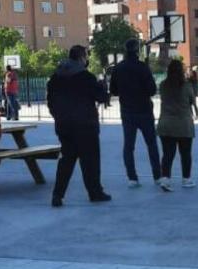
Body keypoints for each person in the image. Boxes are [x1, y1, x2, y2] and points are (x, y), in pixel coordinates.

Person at [47, 45, 111, 206]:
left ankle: (58, 195)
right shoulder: (86, 77)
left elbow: (50, 103)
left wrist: (59, 117)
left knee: (66, 160)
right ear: (82, 58)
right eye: (86, 56)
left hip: (64, 126)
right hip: (86, 126)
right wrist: (103, 88)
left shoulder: (55, 77)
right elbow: (101, 97)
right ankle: (95, 192)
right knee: (90, 161)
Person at [110, 38, 161, 188]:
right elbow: (152, 90)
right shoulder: (143, 67)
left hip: (127, 110)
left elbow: (113, 90)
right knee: (151, 144)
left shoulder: (118, 68)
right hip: (144, 109)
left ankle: (132, 177)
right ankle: (157, 175)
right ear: (137, 51)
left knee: (129, 145)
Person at [157, 59, 196, 191]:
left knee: (167, 154)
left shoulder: (163, 85)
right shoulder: (187, 86)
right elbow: (191, 100)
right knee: (185, 154)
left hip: (166, 124)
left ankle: (165, 179)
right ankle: (186, 179)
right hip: (184, 124)